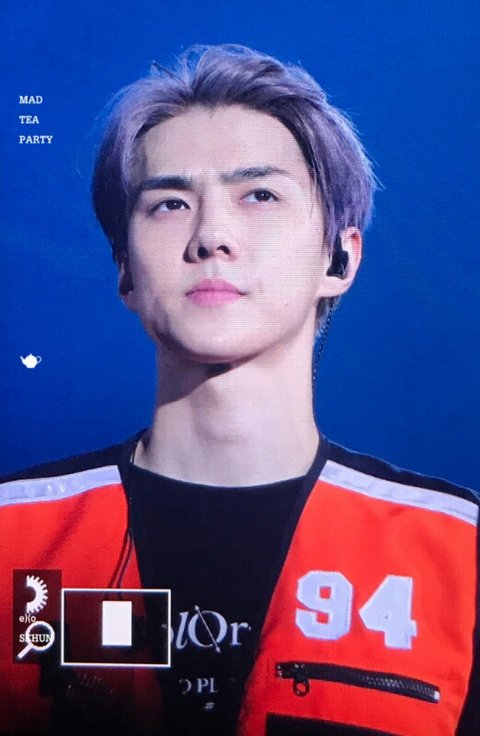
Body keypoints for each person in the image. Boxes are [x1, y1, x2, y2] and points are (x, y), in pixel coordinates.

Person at [0, 44, 478, 736]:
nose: (211, 236)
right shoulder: (14, 538)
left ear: (339, 257)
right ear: (125, 270)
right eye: (169, 203)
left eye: (259, 195)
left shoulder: (457, 557)